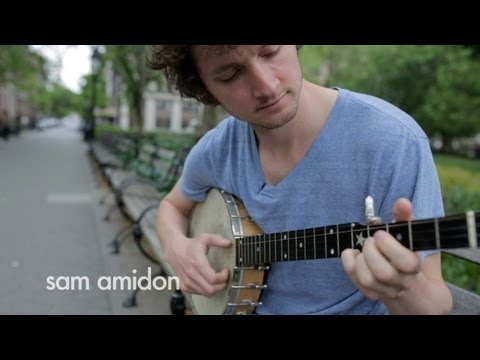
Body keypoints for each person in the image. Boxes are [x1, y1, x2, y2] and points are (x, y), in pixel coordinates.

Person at [151, 45, 453, 315]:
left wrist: (403, 287)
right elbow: (172, 206)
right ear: (205, 88)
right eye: (231, 74)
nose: (267, 86)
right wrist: (176, 246)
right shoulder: (218, 149)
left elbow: (434, 304)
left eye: (270, 52)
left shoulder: (392, 141)